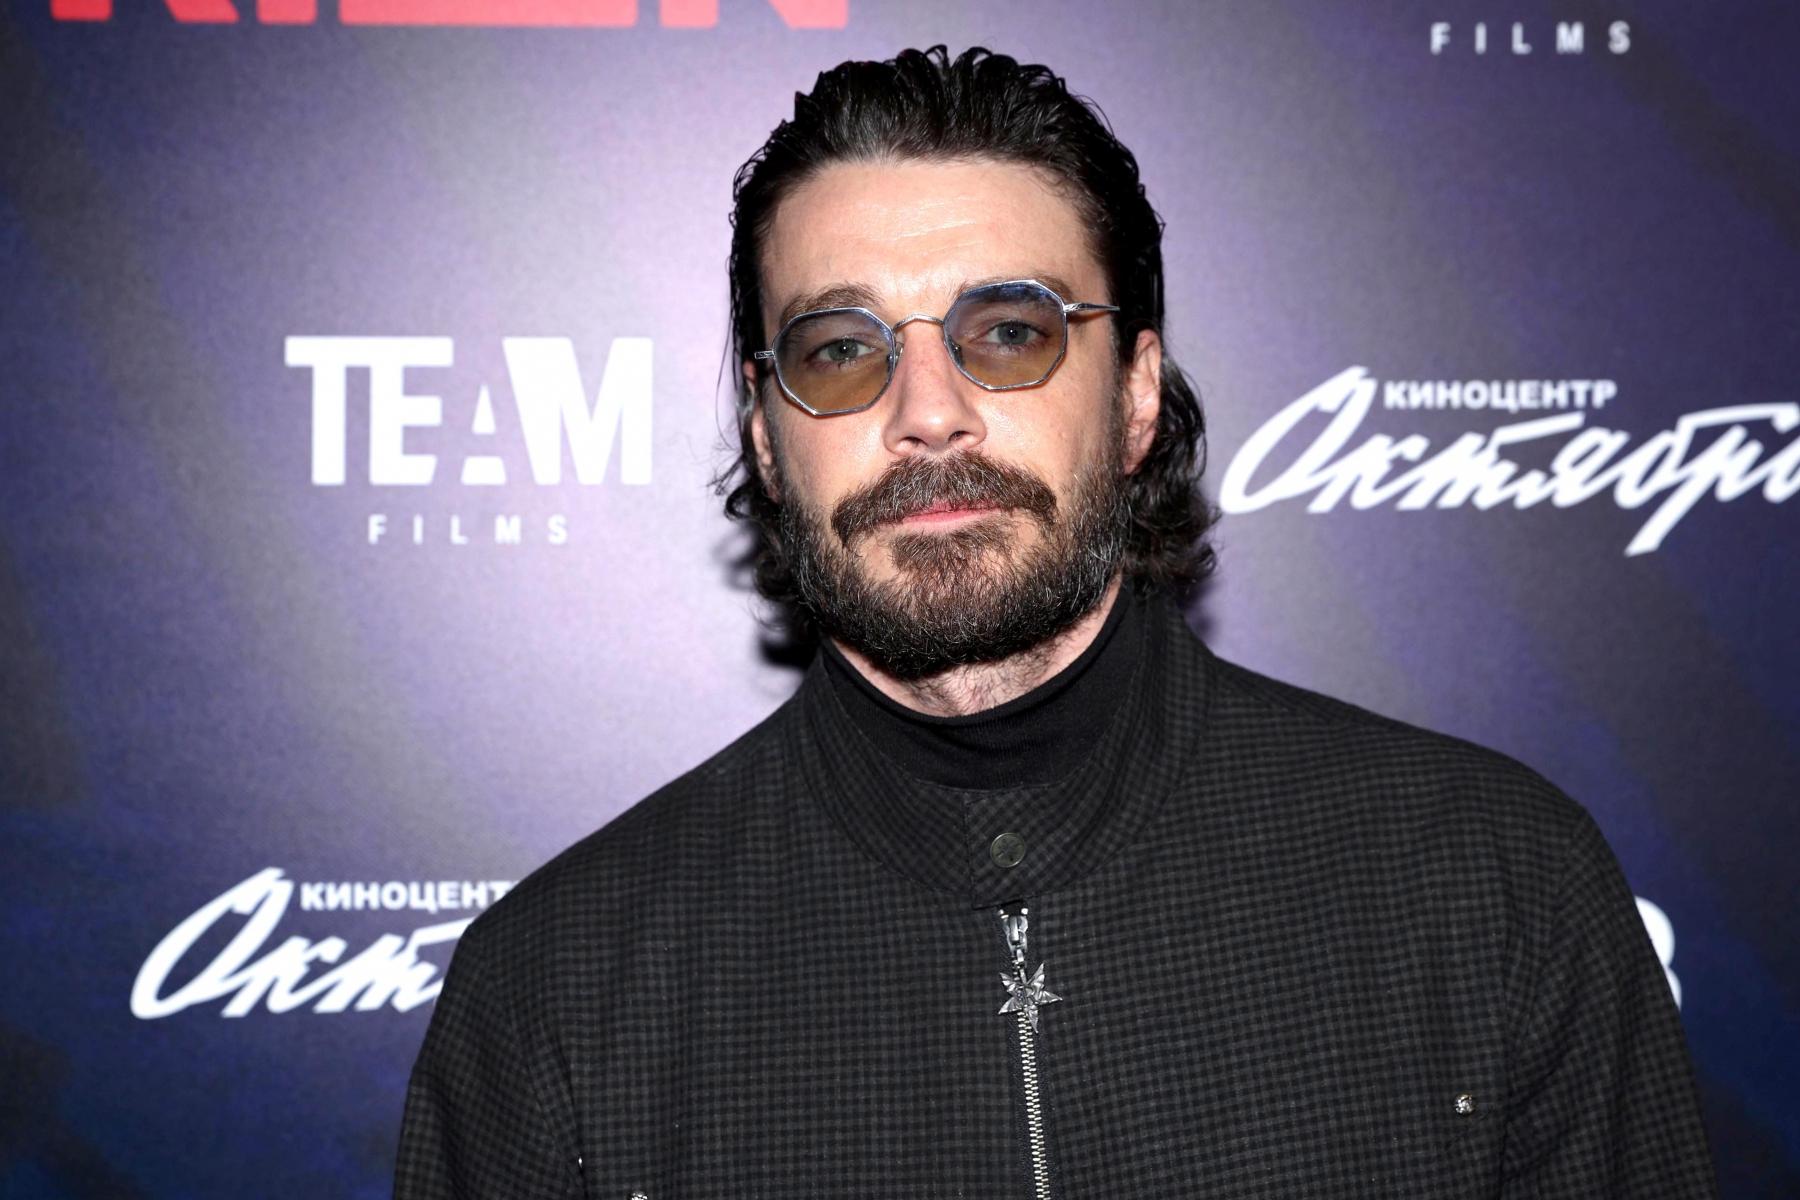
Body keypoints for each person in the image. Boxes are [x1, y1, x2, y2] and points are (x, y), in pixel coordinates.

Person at [394, 46, 1717, 1198]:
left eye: (1009, 332)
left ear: (1136, 393)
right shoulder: (560, 992)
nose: (928, 413)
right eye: (841, 350)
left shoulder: (1493, 888)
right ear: (765, 433)